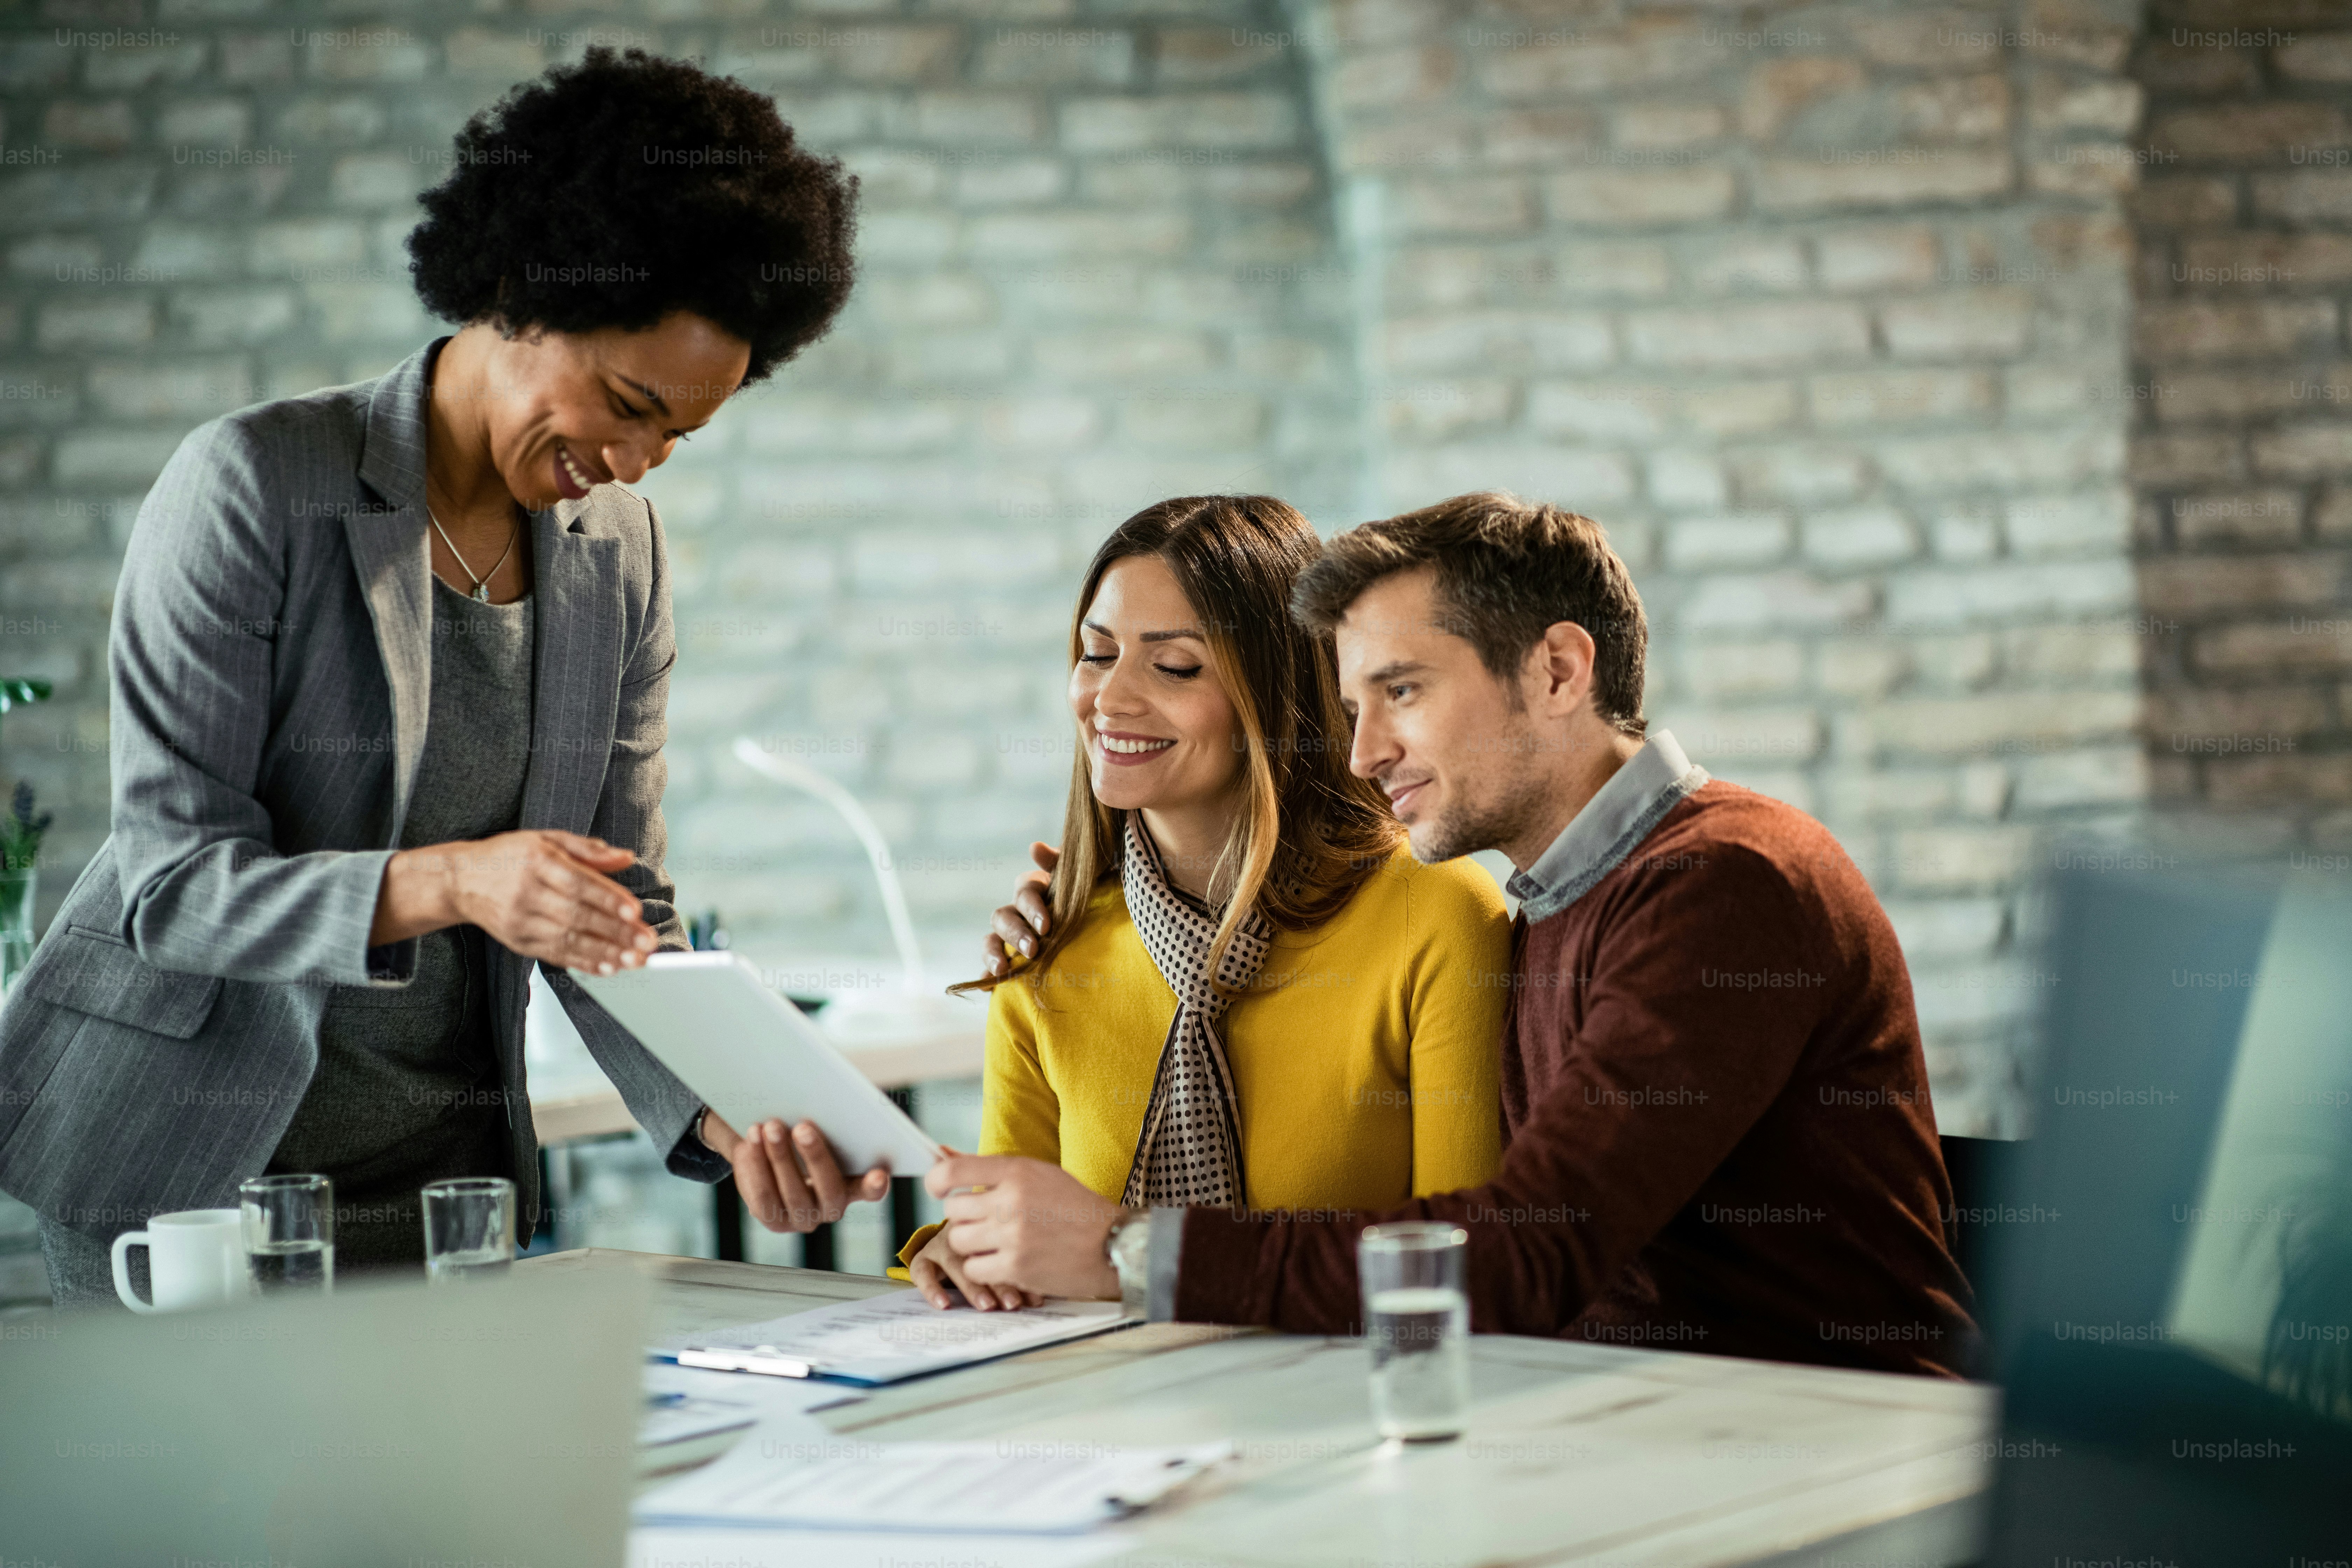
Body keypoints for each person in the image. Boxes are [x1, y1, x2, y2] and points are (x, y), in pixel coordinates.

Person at [0, 49, 881, 1306]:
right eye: (626, 402)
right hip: (189, 1174)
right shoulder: (256, 485)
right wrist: (462, 882)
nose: (634, 462)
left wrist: (728, 1116)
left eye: (677, 436)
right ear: (521, 292)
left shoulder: (617, 554)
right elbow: (171, 891)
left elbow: (613, 901)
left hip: (444, 1183)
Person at [940, 491, 1979, 1378]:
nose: (1360, 754)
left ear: (1561, 673)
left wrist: (1130, 1253)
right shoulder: (1561, 903)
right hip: (1639, 1428)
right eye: (1351, 707)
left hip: (1823, 1450)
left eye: (1402, 692)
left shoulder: (1723, 884)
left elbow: (1527, 1255)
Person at [902, 496, 1512, 1310]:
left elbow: (1460, 1266)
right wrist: (960, 1251)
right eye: (1096, 653)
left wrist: (1134, 1257)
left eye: (1175, 665)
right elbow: (1010, 1259)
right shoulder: (1049, 946)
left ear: (1278, 688)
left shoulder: (1435, 914)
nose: (1109, 698)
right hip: (1100, 1420)